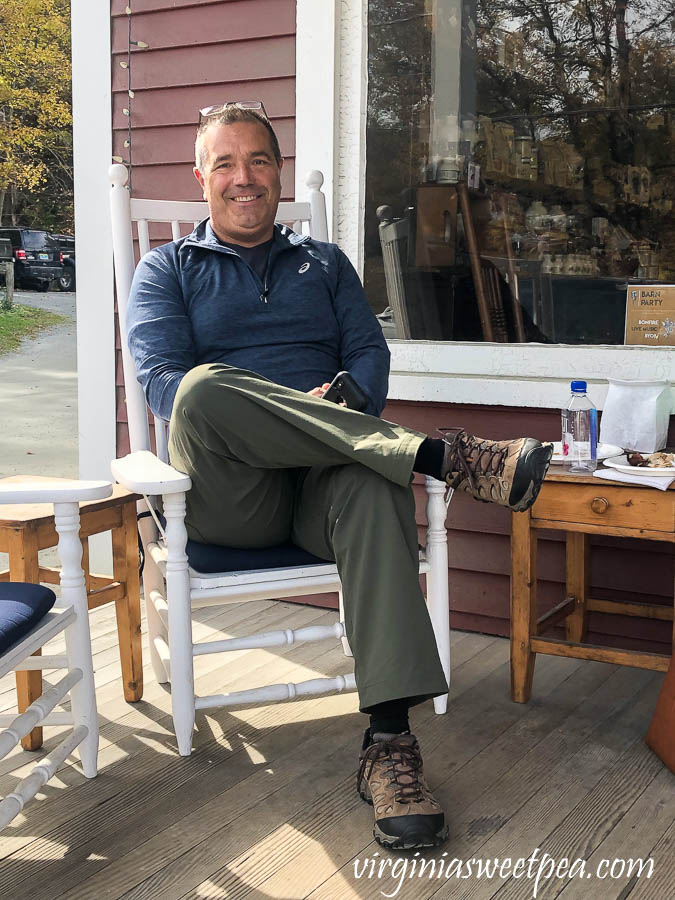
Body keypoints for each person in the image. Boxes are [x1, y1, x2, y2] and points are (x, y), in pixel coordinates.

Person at [127, 102, 553, 851]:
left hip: (325, 482)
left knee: (370, 481)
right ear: (201, 178)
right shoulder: (168, 268)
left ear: (278, 171)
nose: (243, 177)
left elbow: (369, 358)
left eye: (257, 159)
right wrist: (292, 407)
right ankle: (443, 457)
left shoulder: (323, 265)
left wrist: (351, 398)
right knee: (199, 388)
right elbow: (161, 382)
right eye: (224, 163)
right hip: (232, 495)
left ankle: (389, 747)